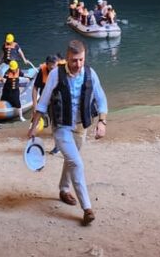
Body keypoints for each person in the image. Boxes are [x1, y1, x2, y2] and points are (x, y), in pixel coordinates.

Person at [28, 39, 108, 226]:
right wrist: (34, 125)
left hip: (81, 127)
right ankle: (87, 208)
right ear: (66, 58)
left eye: (81, 60)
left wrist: (102, 122)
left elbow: (101, 99)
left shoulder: (90, 74)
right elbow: (44, 100)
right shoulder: (56, 74)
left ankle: (64, 190)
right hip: (61, 126)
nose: (77, 64)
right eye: (74, 60)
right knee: (77, 163)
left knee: (71, 160)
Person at [32, 53, 61, 155]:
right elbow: (35, 88)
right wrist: (35, 104)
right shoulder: (42, 71)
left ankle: (58, 146)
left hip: (57, 101)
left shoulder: (61, 71)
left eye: (54, 66)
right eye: (50, 66)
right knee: (41, 120)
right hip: (45, 101)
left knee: (56, 124)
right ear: (47, 64)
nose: (52, 69)